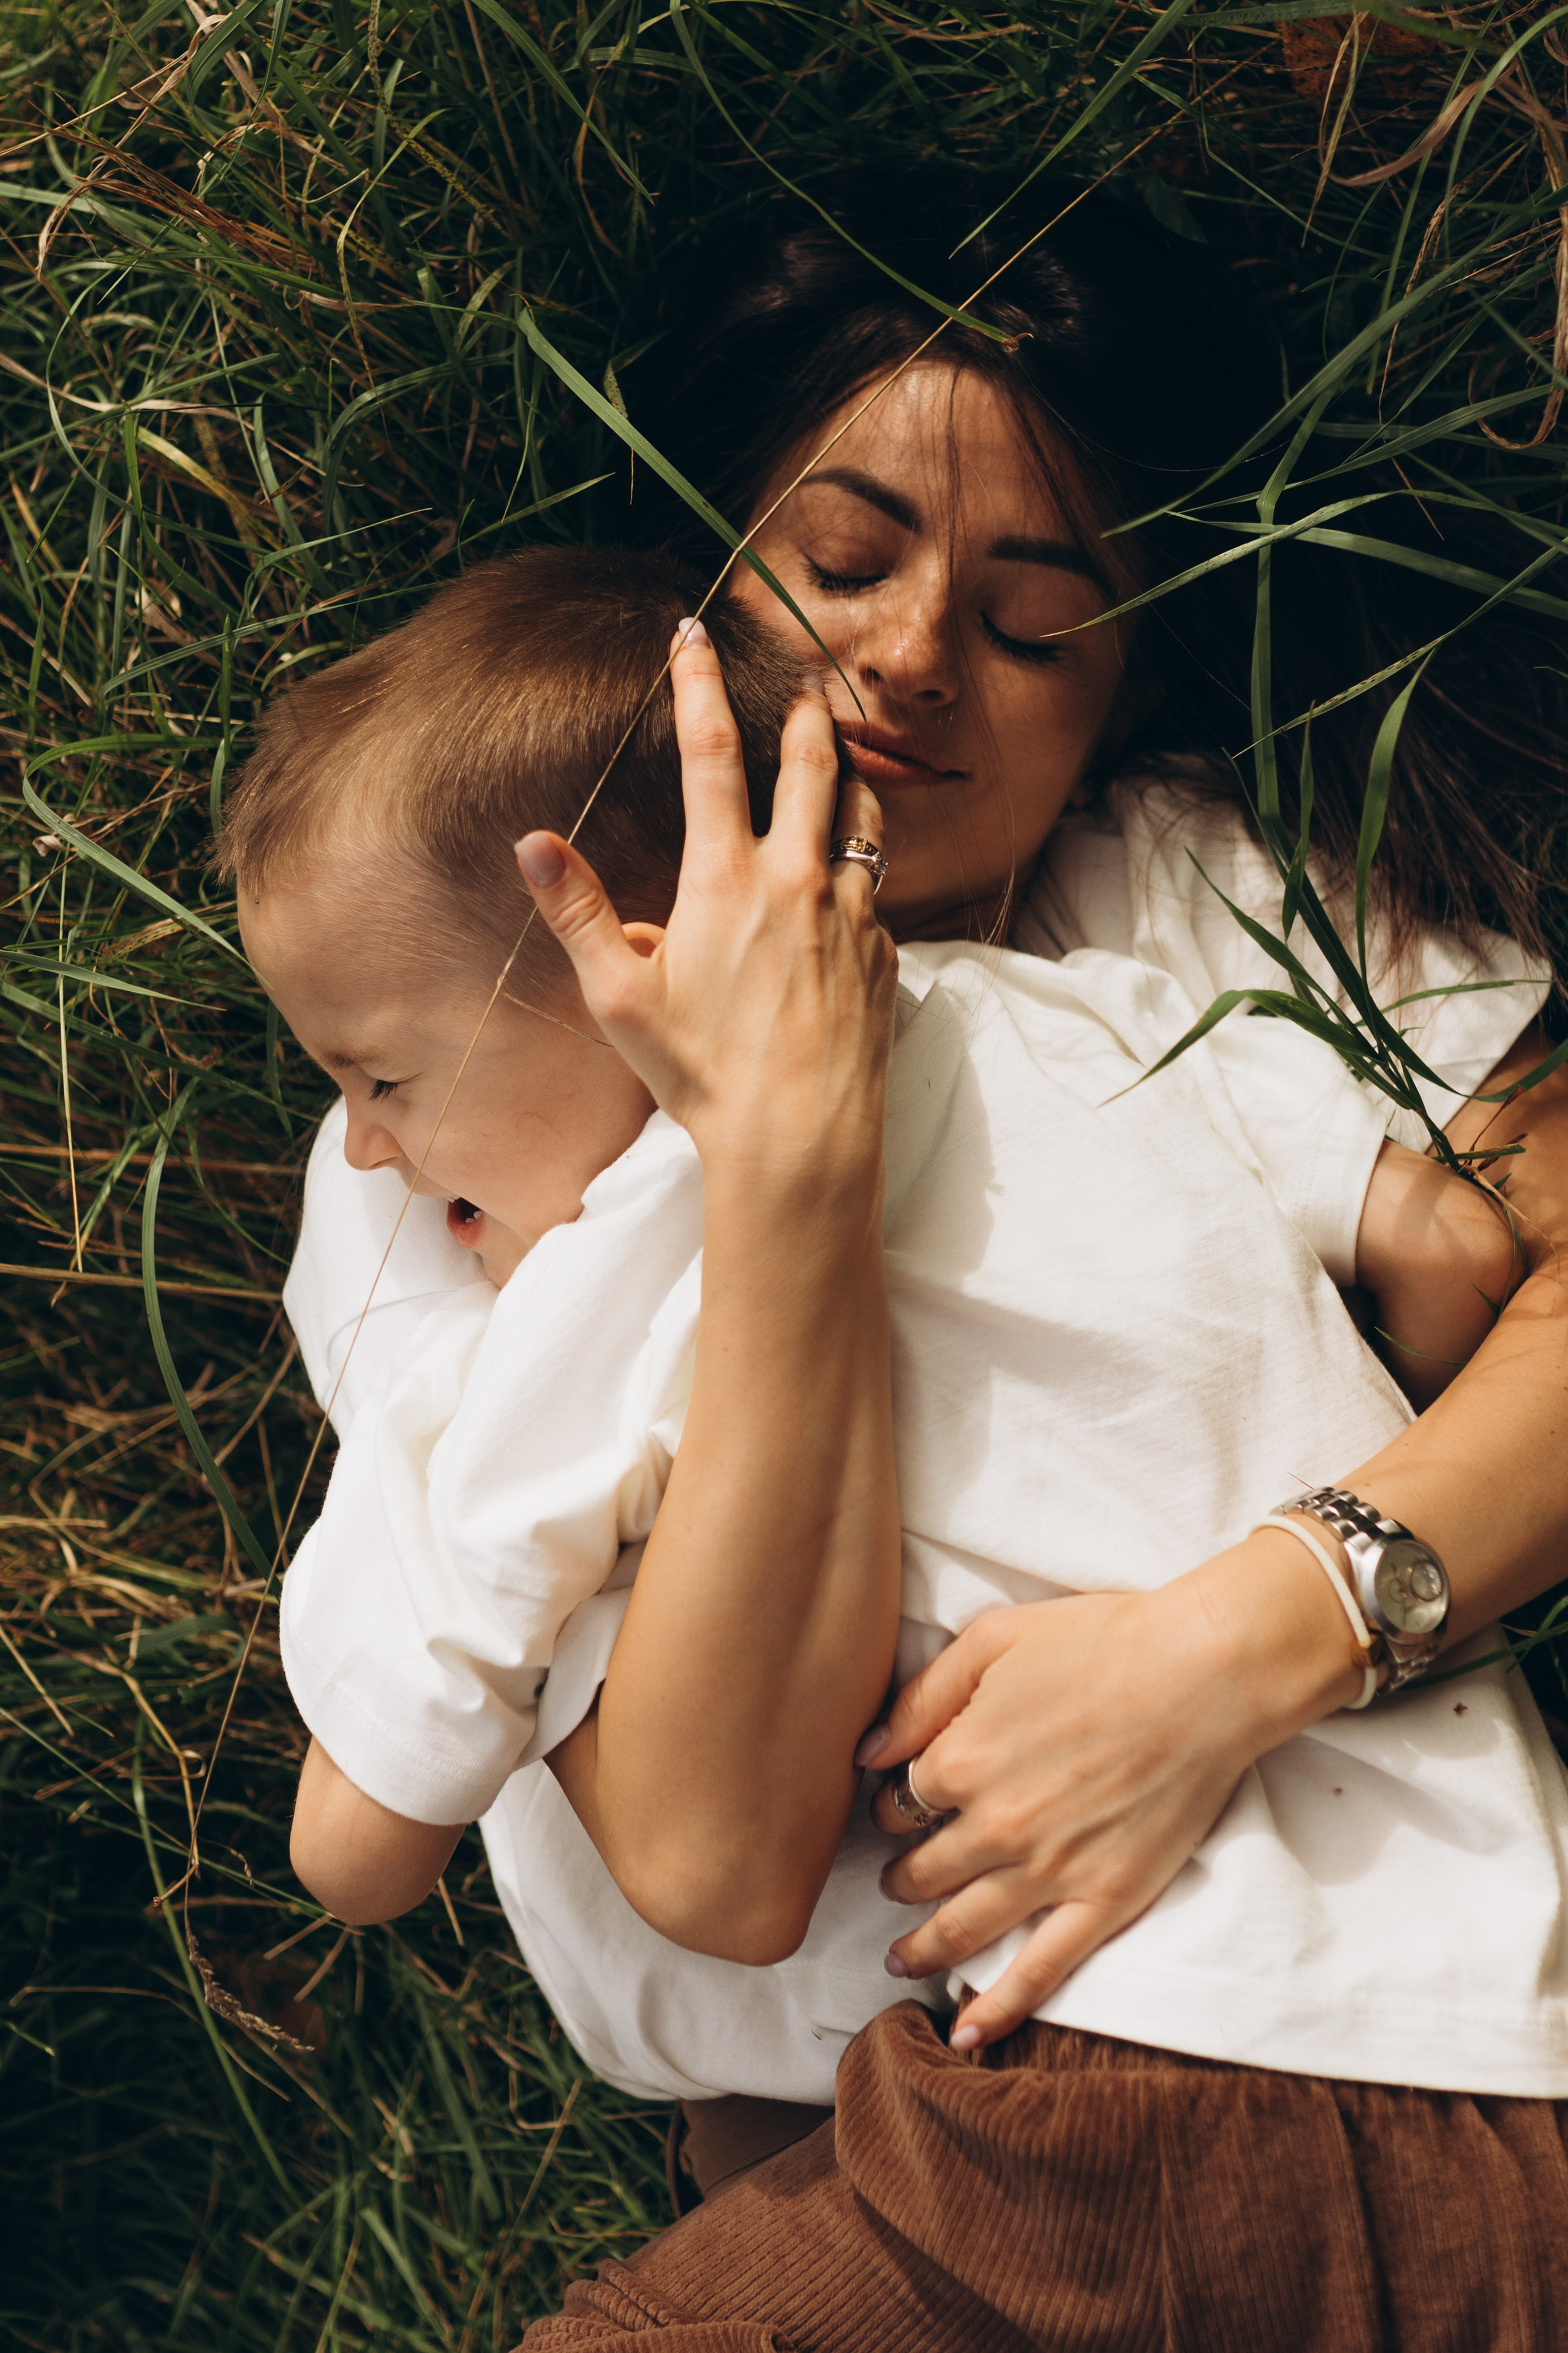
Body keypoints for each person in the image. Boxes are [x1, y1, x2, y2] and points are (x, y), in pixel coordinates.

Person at [225, 546, 1542, 2146]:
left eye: (384, 1083)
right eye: (846, 559)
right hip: (1487, 1930)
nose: (366, 1149)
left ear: (633, 966)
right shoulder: (1081, 1011)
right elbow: (1452, 1242)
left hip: (1101, 2029)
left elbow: (356, 1848)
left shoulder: (594, 1275)